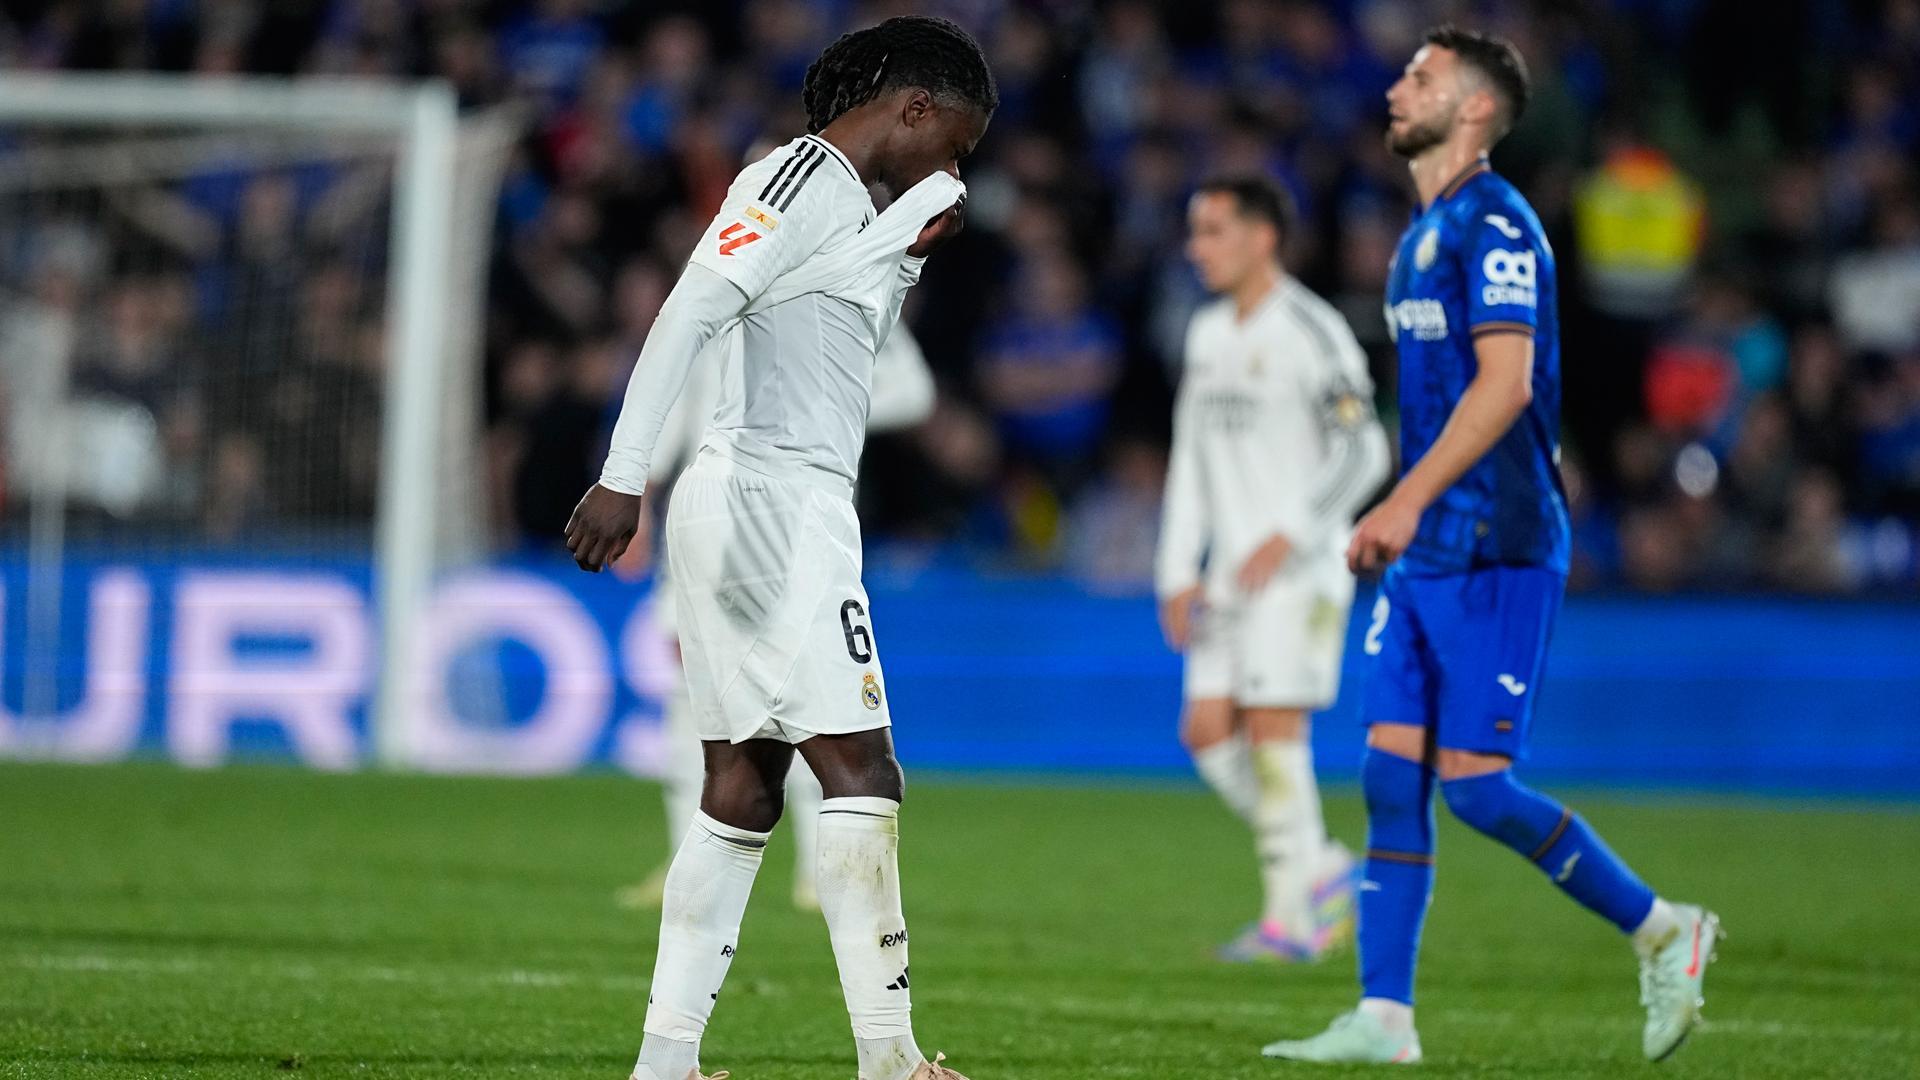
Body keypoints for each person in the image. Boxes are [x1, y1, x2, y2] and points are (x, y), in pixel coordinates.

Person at [1264, 26, 1719, 1066]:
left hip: (1499, 546)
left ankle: (1665, 929)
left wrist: (1403, 502)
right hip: (1428, 548)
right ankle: (1385, 1019)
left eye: (1418, 77)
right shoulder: (1419, 234)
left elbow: (1506, 386)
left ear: (1473, 108)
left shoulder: (1498, 225)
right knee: (1388, 778)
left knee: (1473, 787)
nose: (1393, 87)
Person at [563, 16, 994, 1080]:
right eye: (957, 145)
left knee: (744, 782)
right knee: (862, 772)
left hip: (766, 502)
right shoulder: (799, 175)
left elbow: (821, 336)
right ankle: (889, 1060)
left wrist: (903, 255)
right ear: (917, 107)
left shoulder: (852, 204)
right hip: (773, 503)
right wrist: (623, 472)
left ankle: (666, 1060)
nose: (954, 167)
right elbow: (692, 309)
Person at [615, 318, 937, 914]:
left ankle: (822, 869)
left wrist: (826, 405)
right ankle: (686, 856)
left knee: (817, 698)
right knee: (692, 699)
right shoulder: (730, 282)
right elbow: (684, 395)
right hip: (708, 517)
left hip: (801, 523)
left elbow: (914, 390)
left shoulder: (851, 292)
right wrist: (641, 485)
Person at [1156, 175, 1389, 962]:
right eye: (1195, 230)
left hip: (1300, 571)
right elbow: (1190, 456)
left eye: (1214, 230)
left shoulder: (1312, 331)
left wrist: (1290, 533)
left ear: (1263, 238)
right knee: (1207, 732)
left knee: (1275, 730)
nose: (1198, 247)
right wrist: (1176, 569)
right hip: (1227, 576)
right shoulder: (1208, 333)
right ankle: (1321, 867)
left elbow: (1366, 449)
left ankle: (1292, 923)